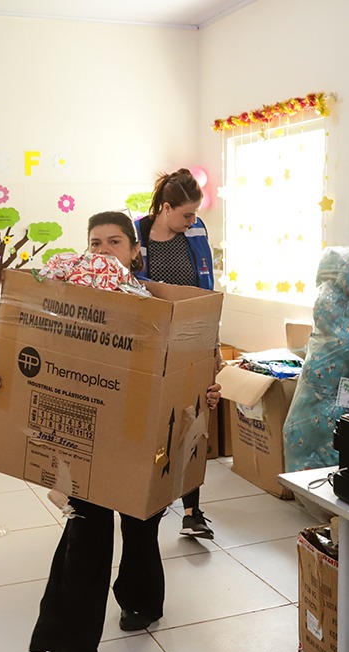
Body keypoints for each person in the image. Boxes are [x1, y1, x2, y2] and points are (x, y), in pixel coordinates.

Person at [0, 210, 222, 652]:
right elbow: (13, 355)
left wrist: (205, 389)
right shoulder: (59, 303)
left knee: (140, 524)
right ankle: (69, 645)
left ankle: (142, 600)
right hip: (85, 439)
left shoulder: (162, 306)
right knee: (85, 530)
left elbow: (199, 363)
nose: (103, 251)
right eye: (94, 243)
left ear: (134, 251)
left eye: (114, 242)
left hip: (142, 439)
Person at [135, 168, 217, 540]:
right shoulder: (136, 234)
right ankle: (143, 498)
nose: (193, 220)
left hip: (190, 340)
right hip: (150, 342)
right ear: (165, 208)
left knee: (191, 418)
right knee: (150, 421)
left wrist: (211, 340)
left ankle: (191, 510)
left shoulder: (196, 233)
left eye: (195, 213)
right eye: (186, 214)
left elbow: (206, 287)